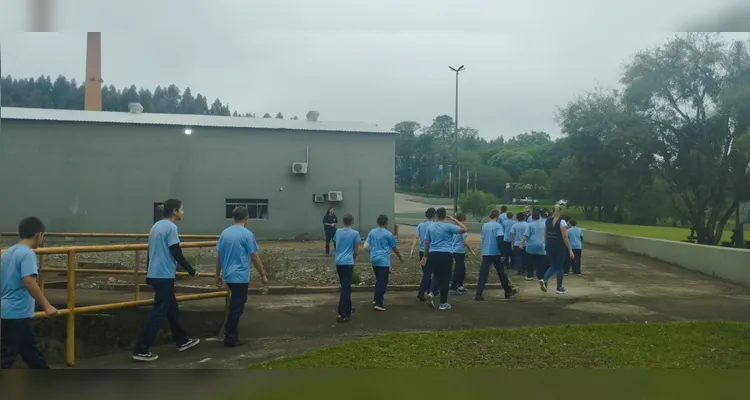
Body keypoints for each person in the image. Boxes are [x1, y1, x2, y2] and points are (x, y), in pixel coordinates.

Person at [133, 199, 200, 362]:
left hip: (156, 274)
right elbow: (176, 251)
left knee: (171, 310)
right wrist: (191, 271)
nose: (183, 213)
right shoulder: (171, 227)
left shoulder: (156, 226)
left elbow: (151, 252)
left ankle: (182, 340)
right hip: (163, 275)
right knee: (159, 312)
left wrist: (148, 274)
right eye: (182, 210)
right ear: (175, 211)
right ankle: (141, 349)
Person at [1, 217, 58, 369]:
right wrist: (46, 305)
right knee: (7, 355)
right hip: (17, 311)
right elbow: (29, 282)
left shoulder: (7, 253)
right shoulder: (27, 254)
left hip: (9, 310)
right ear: (38, 234)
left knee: (30, 351)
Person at [215, 206, 268, 347]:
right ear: (246, 218)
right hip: (240, 276)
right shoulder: (246, 234)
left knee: (234, 305)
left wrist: (217, 274)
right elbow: (254, 256)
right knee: (236, 307)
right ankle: (230, 337)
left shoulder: (225, 233)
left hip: (227, 275)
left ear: (233, 218)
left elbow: (219, 255)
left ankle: (232, 335)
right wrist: (262, 274)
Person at [421, 208, 467, 310]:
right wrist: (454, 220)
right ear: (445, 216)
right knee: (445, 279)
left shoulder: (431, 227)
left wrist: (425, 256)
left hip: (433, 253)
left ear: (436, 215)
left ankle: (432, 292)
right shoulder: (449, 226)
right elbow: (464, 229)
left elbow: (427, 243)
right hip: (446, 254)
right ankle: (443, 303)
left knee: (436, 276)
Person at [474, 210, 517, 301]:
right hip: (496, 253)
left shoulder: (485, 225)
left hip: (486, 252)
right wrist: (502, 253)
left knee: (483, 274)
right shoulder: (498, 226)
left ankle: (478, 293)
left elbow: (483, 237)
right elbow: (499, 239)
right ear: (497, 217)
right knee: (501, 273)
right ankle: (507, 291)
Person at [364, 214, 403, 311]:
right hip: (383, 261)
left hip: (374, 260)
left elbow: (365, 246)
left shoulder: (372, 232)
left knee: (378, 280)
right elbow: (394, 247)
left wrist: (372, 253)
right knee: (383, 282)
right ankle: (379, 303)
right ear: (386, 223)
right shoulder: (388, 234)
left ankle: (375, 299)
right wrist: (400, 257)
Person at [539, 205, 575, 294]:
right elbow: (564, 236)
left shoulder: (547, 221)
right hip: (559, 245)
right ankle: (559, 287)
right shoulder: (562, 222)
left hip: (549, 244)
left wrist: (547, 244)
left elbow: (545, 235)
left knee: (553, 265)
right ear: (561, 211)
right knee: (559, 267)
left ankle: (544, 279)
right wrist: (570, 249)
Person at [331, 213, 361, 322]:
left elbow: (335, 243)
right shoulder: (355, 233)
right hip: (348, 262)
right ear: (352, 221)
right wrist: (353, 260)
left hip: (338, 261)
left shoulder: (338, 232)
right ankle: (341, 313)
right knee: (346, 287)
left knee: (345, 285)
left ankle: (348, 308)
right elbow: (356, 251)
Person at [411, 208, 436, 302]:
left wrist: (413, 248)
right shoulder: (434, 225)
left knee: (426, 272)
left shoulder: (421, 225)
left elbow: (416, 237)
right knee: (428, 273)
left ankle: (429, 291)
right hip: (431, 251)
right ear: (434, 215)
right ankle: (422, 292)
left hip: (421, 251)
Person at [450, 212, 476, 295]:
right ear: (462, 220)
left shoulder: (454, 229)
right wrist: (471, 250)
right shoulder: (462, 230)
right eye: (464, 220)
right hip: (459, 251)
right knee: (459, 270)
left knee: (461, 269)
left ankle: (460, 285)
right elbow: (465, 242)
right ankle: (454, 287)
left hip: (453, 250)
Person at [521, 211, 546, 281]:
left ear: (532, 217)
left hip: (531, 246)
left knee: (529, 262)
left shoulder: (530, 225)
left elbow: (526, 235)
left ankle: (530, 275)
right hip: (541, 245)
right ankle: (540, 276)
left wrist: (522, 243)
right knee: (540, 262)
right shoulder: (544, 225)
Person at [509, 212, 529, 278]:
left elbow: (512, 235)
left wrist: (512, 244)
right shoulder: (527, 225)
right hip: (526, 244)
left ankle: (519, 269)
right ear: (524, 217)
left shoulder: (514, 225)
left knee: (518, 257)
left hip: (517, 244)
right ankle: (525, 269)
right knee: (526, 257)